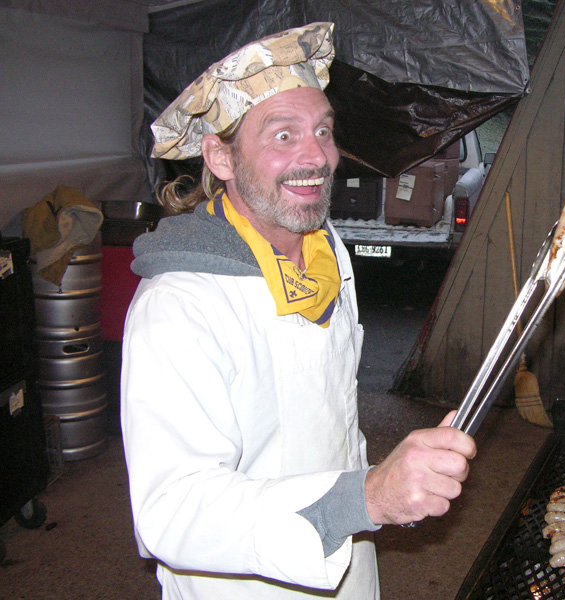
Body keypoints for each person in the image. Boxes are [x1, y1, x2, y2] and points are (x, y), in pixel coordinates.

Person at [120, 22, 476, 600]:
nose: (318, 156)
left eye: (323, 131)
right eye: (282, 135)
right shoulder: (179, 305)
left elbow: (329, 422)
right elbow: (171, 510)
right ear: (221, 156)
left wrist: (379, 493)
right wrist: (367, 496)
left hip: (346, 562)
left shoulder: (326, 249)